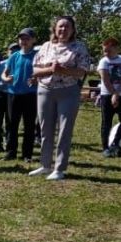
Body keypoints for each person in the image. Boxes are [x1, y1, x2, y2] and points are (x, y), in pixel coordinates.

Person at [29, 16, 90, 181]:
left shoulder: (79, 47)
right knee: (45, 129)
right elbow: (34, 70)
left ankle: (59, 168)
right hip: (45, 90)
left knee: (64, 130)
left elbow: (82, 71)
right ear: (55, 29)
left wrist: (63, 71)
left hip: (68, 91)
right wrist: (51, 69)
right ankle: (45, 164)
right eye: (60, 27)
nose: (63, 30)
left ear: (72, 30)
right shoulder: (45, 46)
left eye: (67, 27)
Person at [1, 27, 38, 162]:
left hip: (30, 94)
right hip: (13, 93)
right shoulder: (14, 56)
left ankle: (27, 154)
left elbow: (42, 74)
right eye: (22, 38)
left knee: (29, 125)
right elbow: (4, 73)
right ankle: (11, 152)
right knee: (12, 124)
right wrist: (5, 79)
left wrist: (36, 79)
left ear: (33, 40)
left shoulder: (37, 56)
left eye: (27, 38)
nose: (24, 41)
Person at [97, 37, 121, 156]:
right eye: (104, 51)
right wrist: (114, 94)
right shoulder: (104, 61)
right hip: (107, 95)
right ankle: (105, 148)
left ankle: (115, 144)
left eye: (108, 50)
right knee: (106, 122)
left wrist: (118, 94)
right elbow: (106, 79)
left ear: (116, 48)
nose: (106, 53)